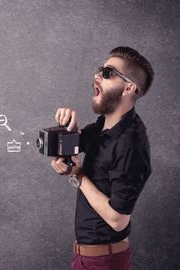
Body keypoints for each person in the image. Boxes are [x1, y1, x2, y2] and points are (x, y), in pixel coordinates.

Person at [50, 46, 154, 270]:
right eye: (100, 70)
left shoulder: (131, 143)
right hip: (87, 257)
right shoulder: (104, 125)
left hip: (104, 262)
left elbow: (118, 220)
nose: (97, 75)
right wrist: (68, 128)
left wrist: (77, 175)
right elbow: (78, 144)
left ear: (129, 87)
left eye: (108, 73)